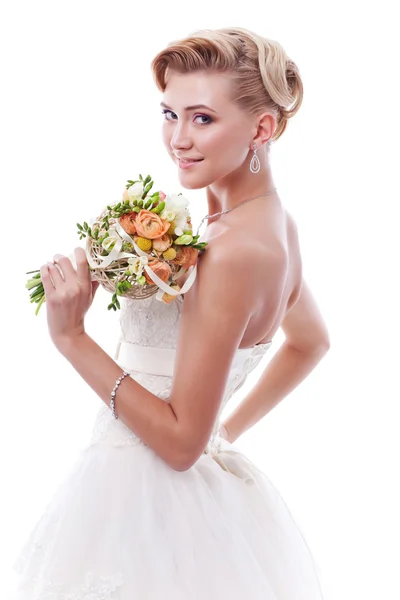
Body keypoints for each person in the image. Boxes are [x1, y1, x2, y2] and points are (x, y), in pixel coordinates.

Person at [11, 27, 330, 599]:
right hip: (171, 506)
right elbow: (311, 342)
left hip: (143, 503)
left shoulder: (234, 250)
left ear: (263, 128)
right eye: (169, 113)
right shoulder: (273, 227)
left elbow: (181, 446)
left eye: (202, 118)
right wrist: (222, 433)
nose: (178, 139)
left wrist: (72, 337)